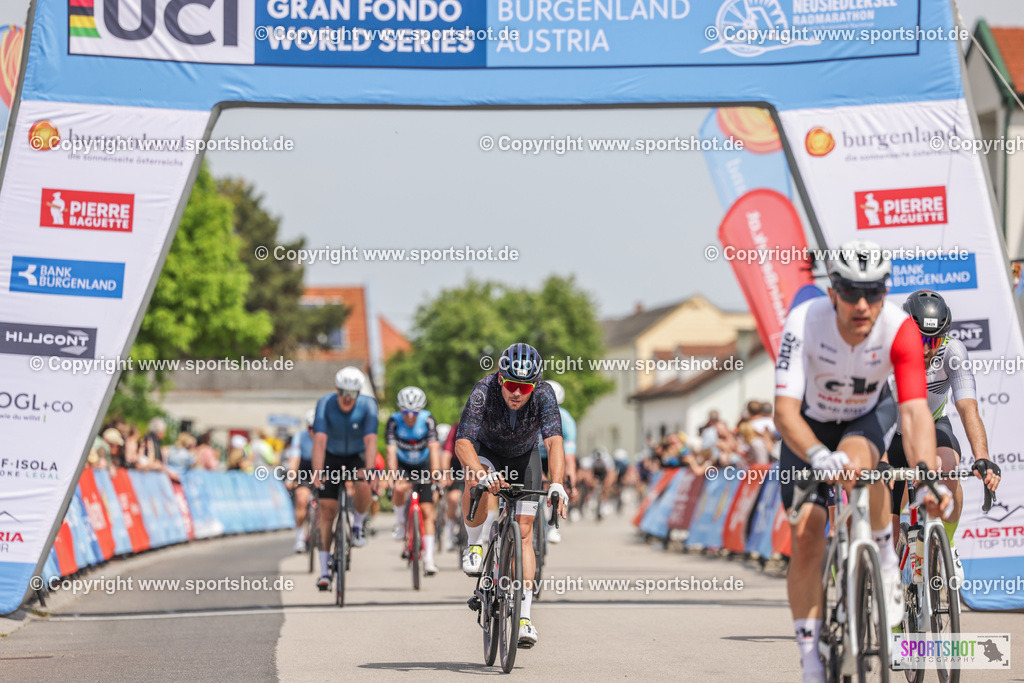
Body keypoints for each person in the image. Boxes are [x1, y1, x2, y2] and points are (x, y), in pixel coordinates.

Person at [774, 240, 950, 683]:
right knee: (808, 533)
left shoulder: (899, 327)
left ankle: (885, 559)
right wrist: (815, 454)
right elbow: (784, 411)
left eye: (873, 292)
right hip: (809, 427)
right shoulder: (804, 322)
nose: (861, 304)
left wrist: (927, 478)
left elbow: (913, 412)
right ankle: (811, 659)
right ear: (831, 290)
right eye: (850, 291)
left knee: (862, 466)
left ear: (885, 291)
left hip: (864, 418)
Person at [882, 290, 1001, 582]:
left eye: (935, 340)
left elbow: (968, 409)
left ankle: (946, 543)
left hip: (931, 426)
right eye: (921, 339)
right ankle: (893, 605)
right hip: (888, 435)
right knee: (889, 533)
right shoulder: (886, 352)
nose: (927, 348)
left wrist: (982, 456)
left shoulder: (952, 352)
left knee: (948, 469)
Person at [455, 342, 567, 648]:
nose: (517, 393)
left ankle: (524, 618)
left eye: (525, 387)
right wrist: (482, 474)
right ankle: (474, 544)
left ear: (535, 385)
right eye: (511, 385)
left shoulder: (543, 394)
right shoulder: (483, 390)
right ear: (501, 378)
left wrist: (557, 483)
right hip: (486, 452)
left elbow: (554, 442)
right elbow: (462, 442)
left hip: (523, 456)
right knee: (472, 481)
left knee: (526, 531)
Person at [310, 366, 378, 591]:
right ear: (336, 390)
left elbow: (370, 441)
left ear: (359, 393)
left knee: (364, 483)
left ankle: (357, 525)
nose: (347, 399)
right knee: (327, 512)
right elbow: (319, 441)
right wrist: (318, 471)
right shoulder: (325, 404)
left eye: (353, 394)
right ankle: (323, 572)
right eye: (343, 393)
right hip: (331, 455)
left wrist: (369, 470)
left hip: (357, 455)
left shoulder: (368, 405)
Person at [386, 386, 442, 575]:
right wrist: (393, 475)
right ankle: (401, 523)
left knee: (427, 511)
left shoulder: (427, 419)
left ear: (420, 410)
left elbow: (434, 447)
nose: (410, 416)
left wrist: (436, 474)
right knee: (399, 489)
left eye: (414, 412)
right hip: (403, 464)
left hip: (424, 464)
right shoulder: (394, 421)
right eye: (406, 412)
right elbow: (391, 451)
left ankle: (429, 559)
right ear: (400, 409)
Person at [535, 379, 577, 543]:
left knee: (557, 481)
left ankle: (553, 525)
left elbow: (569, 458)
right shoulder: (531, 414)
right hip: (533, 453)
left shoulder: (566, 420)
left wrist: (570, 483)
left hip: (552, 454)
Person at [287, 409, 316, 553]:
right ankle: (299, 537)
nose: (314, 432)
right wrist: (291, 477)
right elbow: (294, 459)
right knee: (301, 499)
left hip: (323, 466)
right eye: (311, 428)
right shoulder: (300, 437)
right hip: (305, 466)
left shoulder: (327, 436)